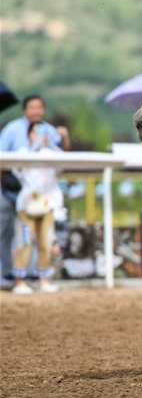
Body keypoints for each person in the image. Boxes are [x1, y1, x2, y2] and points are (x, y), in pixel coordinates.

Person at [0, 95, 69, 289]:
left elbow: (62, 158)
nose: (36, 111)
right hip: (15, 194)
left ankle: (38, 278)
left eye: (39, 107)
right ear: (25, 110)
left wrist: (61, 138)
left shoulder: (49, 142)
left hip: (44, 202)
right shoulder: (16, 135)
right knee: (15, 238)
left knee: (44, 241)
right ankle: (10, 276)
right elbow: (12, 164)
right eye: (32, 108)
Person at [11, 122, 64, 294]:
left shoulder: (50, 153)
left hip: (47, 204)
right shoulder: (23, 152)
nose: (39, 135)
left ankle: (43, 279)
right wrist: (34, 147)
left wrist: (50, 144)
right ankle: (20, 280)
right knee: (24, 242)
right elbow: (17, 169)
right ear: (29, 135)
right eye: (35, 132)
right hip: (27, 204)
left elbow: (63, 164)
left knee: (46, 242)